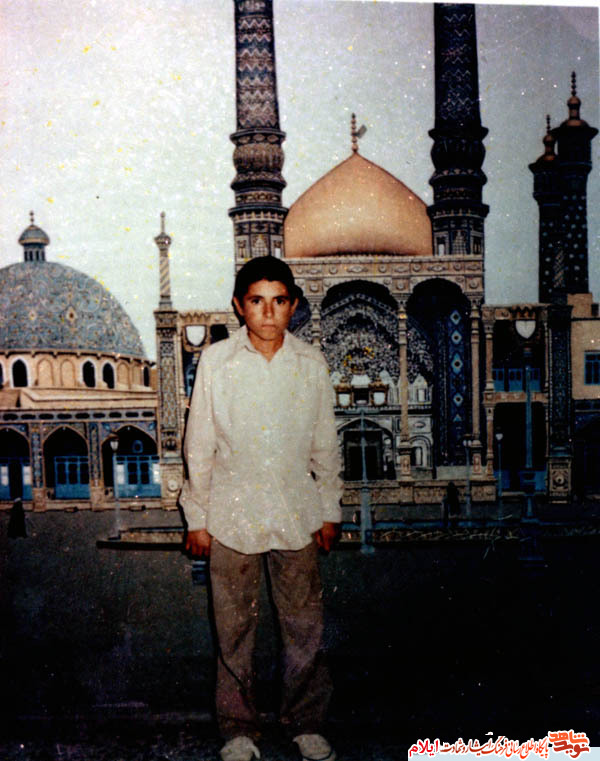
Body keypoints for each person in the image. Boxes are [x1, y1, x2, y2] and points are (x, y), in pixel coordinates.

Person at [179, 256, 343, 761]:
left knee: (304, 628)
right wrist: (197, 518)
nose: (268, 313)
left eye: (278, 301)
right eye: (257, 301)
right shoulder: (217, 362)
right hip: (231, 517)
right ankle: (238, 730)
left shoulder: (310, 363)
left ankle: (305, 723)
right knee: (234, 630)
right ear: (239, 306)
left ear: (293, 306)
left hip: (297, 516)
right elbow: (199, 444)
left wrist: (330, 509)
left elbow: (324, 442)